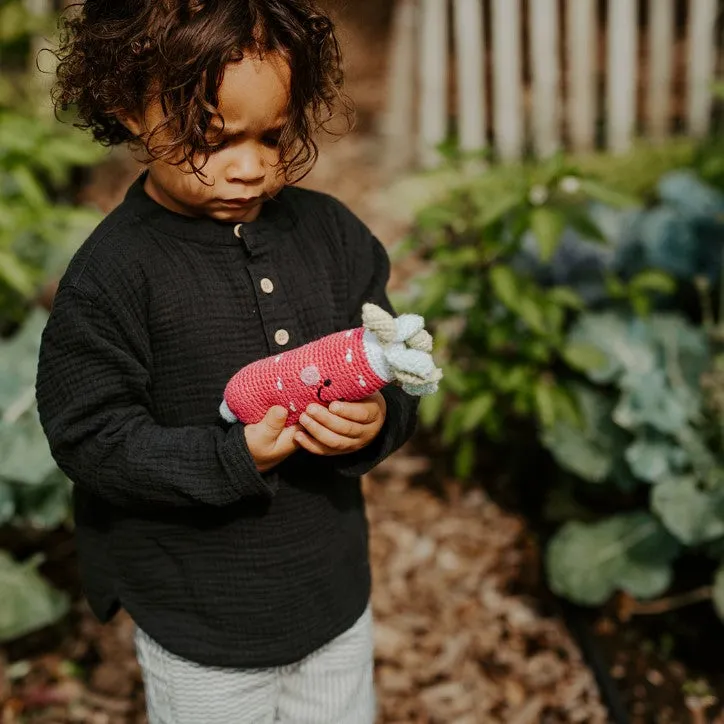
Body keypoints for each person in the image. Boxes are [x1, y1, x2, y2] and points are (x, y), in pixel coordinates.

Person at [35, 2, 418, 722]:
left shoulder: (332, 237)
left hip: (330, 597)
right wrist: (226, 458)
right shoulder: (115, 275)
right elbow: (88, 434)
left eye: (271, 136)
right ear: (126, 109)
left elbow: (392, 360)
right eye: (210, 140)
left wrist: (378, 419)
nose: (249, 168)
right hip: (199, 622)